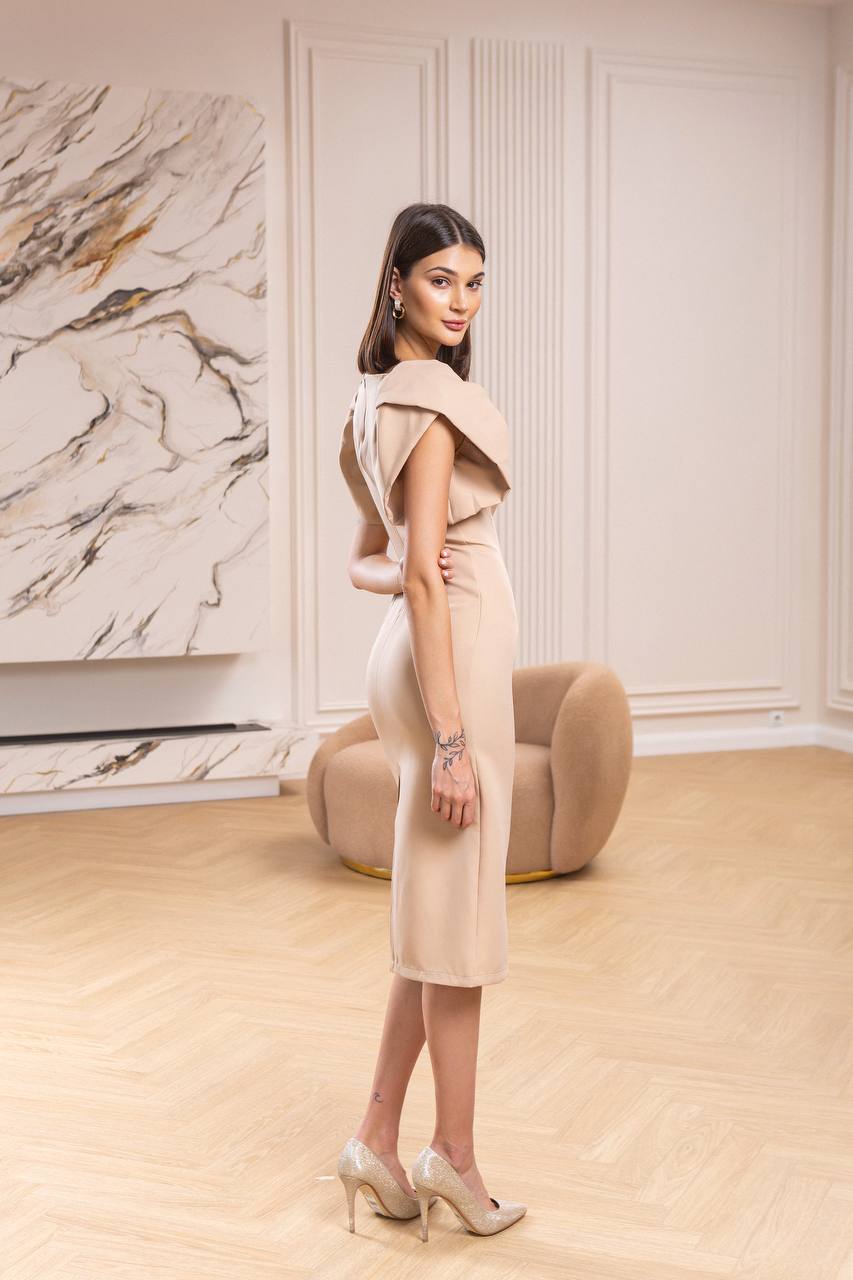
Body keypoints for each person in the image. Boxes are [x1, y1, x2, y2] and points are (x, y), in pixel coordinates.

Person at [336, 203, 526, 1241]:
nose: (462, 302)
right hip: (448, 666)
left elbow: (366, 559)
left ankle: (375, 1132)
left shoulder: (376, 397)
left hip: (410, 663)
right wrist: (453, 740)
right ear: (399, 283)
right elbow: (411, 572)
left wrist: (416, 569)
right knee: (457, 925)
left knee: (434, 913)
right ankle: (453, 1157)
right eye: (443, 280)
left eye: (475, 282)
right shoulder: (432, 400)